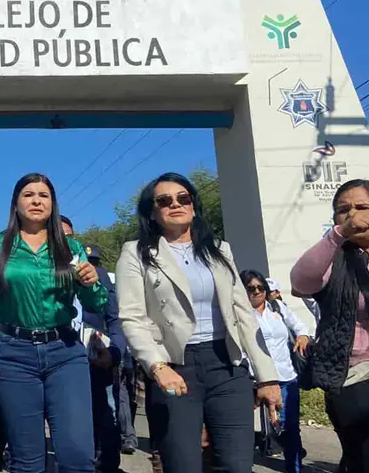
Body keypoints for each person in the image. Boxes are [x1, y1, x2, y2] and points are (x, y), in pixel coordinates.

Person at [115, 172, 281, 473]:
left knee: (236, 466)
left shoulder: (219, 249)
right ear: (152, 212)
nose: (175, 204)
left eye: (183, 198)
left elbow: (243, 313)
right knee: (183, 465)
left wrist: (267, 377)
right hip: (175, 367)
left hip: (227, 365)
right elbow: (132, 317)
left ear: (193, 204)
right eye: (164, 201)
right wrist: (157, 367)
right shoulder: (136, 253)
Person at [0, 174, 108, 473]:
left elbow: (97, 304)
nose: (36, 200)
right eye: (28, 194)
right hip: (14, 355)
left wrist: (90, 284)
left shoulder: (71, 248)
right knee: (27, 459)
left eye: (43, 195)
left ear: (52, 203)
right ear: (16, 203)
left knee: (77, 455)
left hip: (65, 352)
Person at [290, 179, 369, 472]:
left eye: (362, 207)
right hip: (363, 379)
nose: (353, 214)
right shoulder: (334, 260)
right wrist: (338, 235)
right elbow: (301, 281)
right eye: (343, 210)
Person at [60, 216, 126, 472]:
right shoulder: (40, 274)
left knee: (106, 417)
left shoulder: (96, 274)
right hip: (59, 360)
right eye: (58, 235)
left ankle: (108, 466)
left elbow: (116, 319)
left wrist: (114, 353)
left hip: (96, 361)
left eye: (69, 237)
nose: (64, 242)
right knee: (71, 425)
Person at [241, 269, 311, 473]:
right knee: (250, 432)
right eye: (251, 288)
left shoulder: (277, 308)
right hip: (255, 382)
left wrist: (302, 336)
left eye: (260, 287)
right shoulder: (240, 313)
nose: (256, 292)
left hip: (286, 378)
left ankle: (294, 469)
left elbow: (300, 326)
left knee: (290, 430)